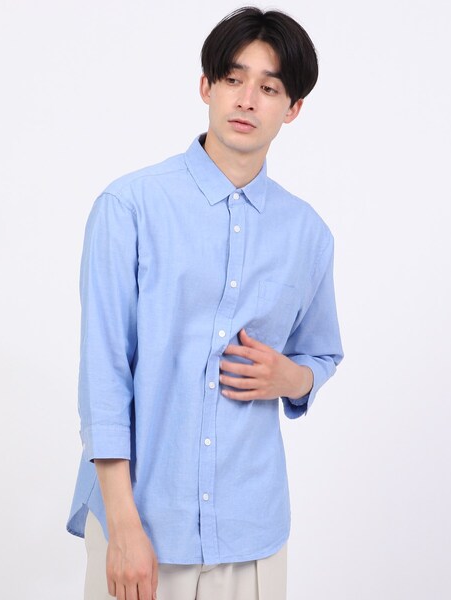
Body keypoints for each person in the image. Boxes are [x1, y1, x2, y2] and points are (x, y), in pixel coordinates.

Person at [67, 6, 344, 600]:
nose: (246, 100)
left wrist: (291, 378)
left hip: (252, 528)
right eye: (233, 79)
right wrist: (123, 527)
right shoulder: (129, 207)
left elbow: (320, 356)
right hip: (143, 524)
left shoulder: (308, 234)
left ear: (293, 108)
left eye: (269, 88)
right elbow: (104, 376)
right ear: (206, 87)